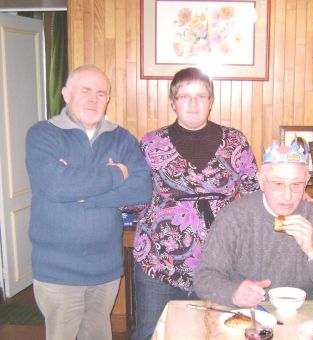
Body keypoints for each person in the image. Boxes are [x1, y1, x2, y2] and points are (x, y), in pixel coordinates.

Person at [25, 64, 153, 340]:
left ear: (108, 99)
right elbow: (56, 185)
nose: (94, 99)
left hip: (105, 268)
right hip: (57, 270)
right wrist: (116, 173)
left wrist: (83, 194)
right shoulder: (43, 134)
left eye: (101, 93)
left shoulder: (121, 137)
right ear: (66, 94)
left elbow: (142, 189)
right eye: (85, 91)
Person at [131, 67, 260, 339]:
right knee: (151, 333)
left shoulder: (235, 142)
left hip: (220, 261)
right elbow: (134, 194)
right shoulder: (151, 143)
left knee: (218, 333)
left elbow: (254, 193)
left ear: (211, 101)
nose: (193, 103)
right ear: (173, 102)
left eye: (201, 96)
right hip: (159, 260)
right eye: (184, 96)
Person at [193, 142, 313, 308]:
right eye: (278, 184)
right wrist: (233, 293)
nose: (287, 196)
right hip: (246, 315)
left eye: (296, 184)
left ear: (306, 182)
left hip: (303, 318)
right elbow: (204, 277)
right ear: (261, 181)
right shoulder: (235, 216)